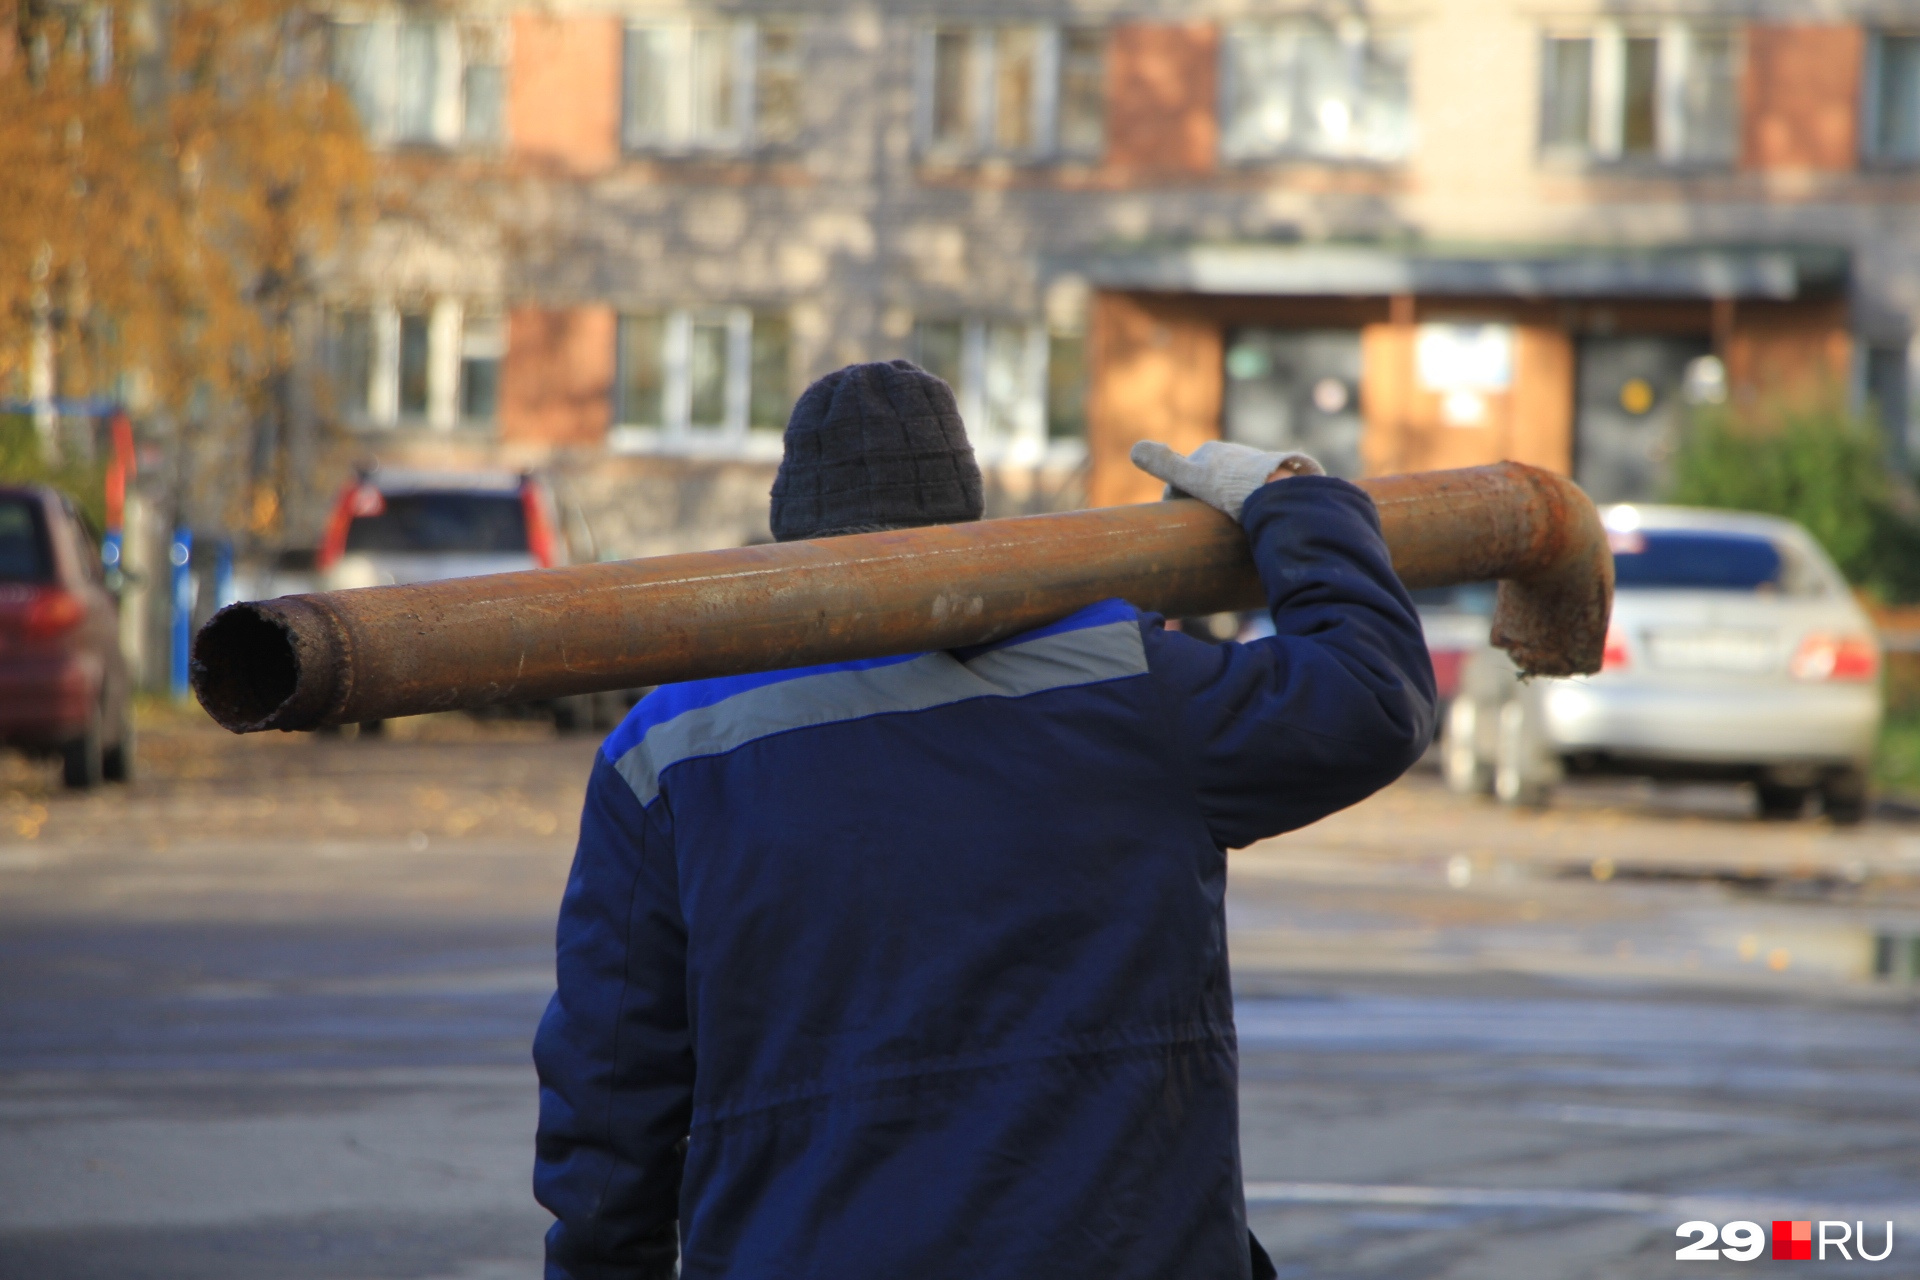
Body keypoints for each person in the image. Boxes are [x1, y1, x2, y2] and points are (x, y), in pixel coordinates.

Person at [533, 359, 1435, 1279]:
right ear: (969, 520)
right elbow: (1370, 697)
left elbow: (609, 1092)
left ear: (788, 529)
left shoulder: (668, 746)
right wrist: (1292, 502)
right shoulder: (1125, 684)